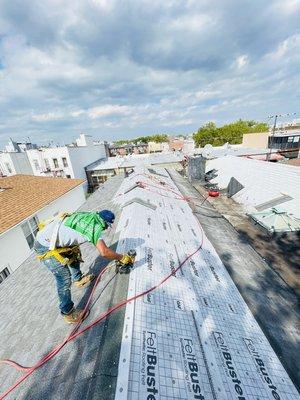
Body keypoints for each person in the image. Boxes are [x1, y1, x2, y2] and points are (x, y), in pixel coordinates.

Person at [34, 210, 134, 323]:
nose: (106, 229)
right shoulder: (93, 227)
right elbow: (104, 252)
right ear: (104, 222)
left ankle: (78, 279)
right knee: (64, 280)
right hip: (45, 247)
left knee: (74, 252)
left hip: (50, 238)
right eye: (107, 226)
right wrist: (122, 258)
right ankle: (68, 313)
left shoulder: (90, 216)